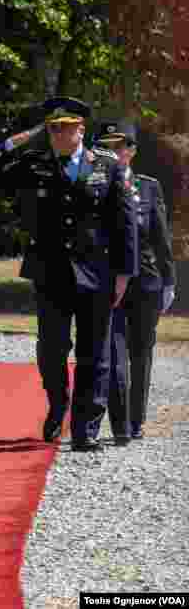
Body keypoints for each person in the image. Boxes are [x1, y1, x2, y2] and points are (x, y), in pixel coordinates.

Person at [0, 97, 137, 451]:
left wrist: (126, 272)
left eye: (64, 127)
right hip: (50, 271)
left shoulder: (107, 166)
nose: (57, 134)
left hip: (97, 272)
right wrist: (20, 139)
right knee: (51, 350)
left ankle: (86, 429)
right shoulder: (33, 163)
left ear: (80, 129)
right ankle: (58, 405)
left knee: (94, 352)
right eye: (52, 128)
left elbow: (124, 222)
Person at [96, 122, 176, 442]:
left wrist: (169, 280)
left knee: (140, 352)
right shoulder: (93, 185)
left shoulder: (147, 187)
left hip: (145, 283)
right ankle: (120, 425)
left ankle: (135, 420)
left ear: (132, 151)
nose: (116, 153)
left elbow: (160, 237)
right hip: (108, 281)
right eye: (108, 147)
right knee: (114, 353)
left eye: (121, 146)